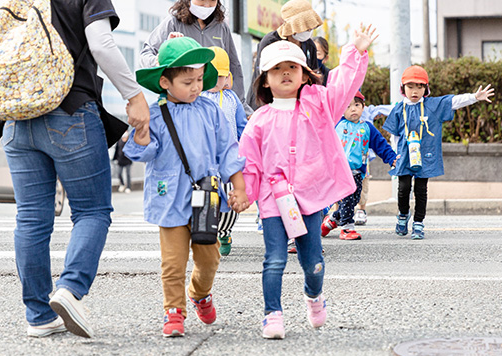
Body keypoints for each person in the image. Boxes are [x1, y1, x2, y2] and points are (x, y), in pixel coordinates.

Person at [0, 0, 150, 338]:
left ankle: (38, 316)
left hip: (16, 117)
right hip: (69, 111)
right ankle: (70, 288)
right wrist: (133, 94)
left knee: (31, 218)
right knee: (92, 210)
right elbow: (100, 42)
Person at [238, 24, 376, 339]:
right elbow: (249, 160)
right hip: (274, 200)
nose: (285, 73)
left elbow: (342, 84)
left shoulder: (318, 105)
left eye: (292, 67)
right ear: (265, 80)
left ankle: (313, 296)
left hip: (310, 197)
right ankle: (272, 315)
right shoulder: (259, 119)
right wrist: (243, 191)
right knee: (273, 259)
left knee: (312, 261)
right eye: (276, 69)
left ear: (304, 74)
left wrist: (355, 51)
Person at [123, 37, 249, 337]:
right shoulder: (154, 114)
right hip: (169, 199)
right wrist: (140, 137)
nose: (195, 87)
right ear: (165, 81)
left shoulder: (211, 111)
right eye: (187, 81)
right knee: (172, 262)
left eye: (198, 80)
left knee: (209, 257)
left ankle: (199, 292)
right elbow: (143, 150)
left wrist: (240, 188)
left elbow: (229, 151)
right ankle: (174, 311)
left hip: (206, 197)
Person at [383, 65, 494, 240]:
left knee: (421, 189)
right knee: (403, 188)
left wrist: (474, 97)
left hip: (425, 155)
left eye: (420, 86)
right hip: (405, 155)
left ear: (425, 89)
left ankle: (418, 223)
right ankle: (403, 215)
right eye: (410, 86)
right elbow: (394, 135)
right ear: (403, 88)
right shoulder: (398, 109)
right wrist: (395, 154)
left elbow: (453, 101)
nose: (415, 91)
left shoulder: (432, 105)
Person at [139, 0, 252, 116]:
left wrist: (242, 107)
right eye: (202, 0)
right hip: (179, 105)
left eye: (212, 1)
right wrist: (159, 61)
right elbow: (146, 54)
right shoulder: (173, 22)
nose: (206, 5)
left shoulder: (221, 27)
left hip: (213, 107)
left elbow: (234, 66)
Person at [321, 91, 398, 240]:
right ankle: (347, 228)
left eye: (357, 105)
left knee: (354, 200)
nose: (353, 109)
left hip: (358, 171)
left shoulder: (367, 128)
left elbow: (381, 145)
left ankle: (331, 221)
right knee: (347, 199)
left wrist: (392, 158)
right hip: (339, 171)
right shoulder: (336, 125)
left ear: (363, 107)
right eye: (348, 106)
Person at [201, 46, 247, 256]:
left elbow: (242, 126)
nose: (213, 81)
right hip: (203, 160)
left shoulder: (231, 99)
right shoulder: (197, 96)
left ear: (227, 77)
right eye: (208, 75)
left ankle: (225, 231)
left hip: (228, 159)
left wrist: (244, 149)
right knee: (206, 198)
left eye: (218, 76)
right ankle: (207, 233)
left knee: (230, 198)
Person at [246, 0, 323, 110]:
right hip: (266, 103)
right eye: (306, 27)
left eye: (310, 27)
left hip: (298, 105)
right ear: (293, 26)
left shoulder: (309, 46)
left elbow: (314, 78)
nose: (309, 30)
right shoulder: (270, 41)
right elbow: (262, 76)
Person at [354, 103, 395, 225]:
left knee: (363, 182)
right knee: (340, 185)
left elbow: (379, 143)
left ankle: (361, 209)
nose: (353, 109)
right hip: (342, 159)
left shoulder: (366, 113)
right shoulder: (338, 118)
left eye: (357, 105)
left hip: (362, 157)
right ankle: (338, 212)